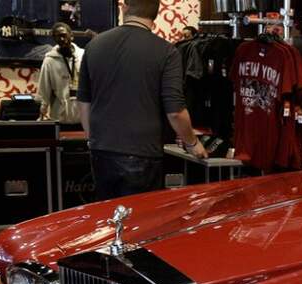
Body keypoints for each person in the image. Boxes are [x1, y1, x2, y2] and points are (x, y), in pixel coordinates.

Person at [77, 0, 206, 201]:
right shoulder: (166, 51)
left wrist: (92, 139)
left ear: (124, 8)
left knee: (109, 215)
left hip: (101, 150)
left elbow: (83, 102)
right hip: (143, 153)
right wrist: (192, 143)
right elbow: (175, 111)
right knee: (140, 217)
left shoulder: (95, 45)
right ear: (156, 14)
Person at [37, 23, 84, 125]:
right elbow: (43, 91)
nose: (62, 39)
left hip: (83, 118)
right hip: (60, 118)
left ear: (71, 36)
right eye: (57, 37)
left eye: (64, 35)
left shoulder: (83, 56)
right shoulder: (49, 61)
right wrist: (40, 115)